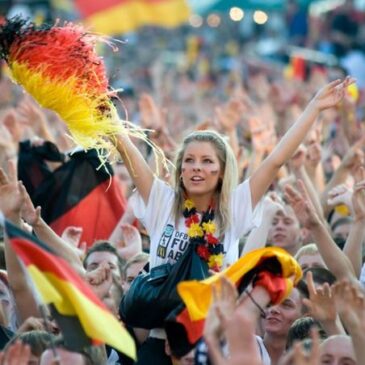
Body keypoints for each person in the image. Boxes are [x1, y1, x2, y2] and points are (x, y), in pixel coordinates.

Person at [113, 77, 353, 364]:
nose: (196, 168)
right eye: (188, 161)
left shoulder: (235, 207)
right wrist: (102, 108)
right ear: (179, 169)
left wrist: (314, 107)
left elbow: (276, 160)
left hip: (213, 346)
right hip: (160, 345)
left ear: (222, 171)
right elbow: (125, 148)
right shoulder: (163, 202)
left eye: (206, 161)